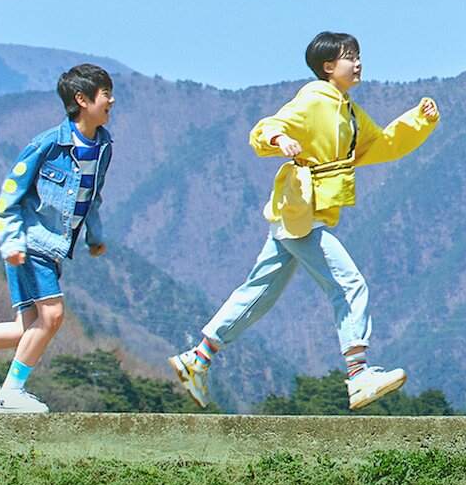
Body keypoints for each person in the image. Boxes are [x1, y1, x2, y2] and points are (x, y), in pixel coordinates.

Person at [168, 32, 438, 411]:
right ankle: (359, 375)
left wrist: (418, 120)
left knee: (258, 293)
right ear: (328, 67)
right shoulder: (314, 99)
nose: (358, 63)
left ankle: (198, 358)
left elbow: (380, 146)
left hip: (299, 214)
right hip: (303, 215)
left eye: (358, 55)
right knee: (349, 285)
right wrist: (280, 140)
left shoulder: (347, 110)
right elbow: (265, 129)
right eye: (349, 57)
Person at [0, 64, 114, 414]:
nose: (111, 101)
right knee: (52, 316)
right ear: (82, 100)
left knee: (26, 329)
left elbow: (92, 196)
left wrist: (95, 235)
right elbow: (9, 195)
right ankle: (10, 392)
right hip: (30, 244)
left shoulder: (103, 147)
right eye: (106, 94)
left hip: (53, 249)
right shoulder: (47, 144)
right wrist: (11, 242)